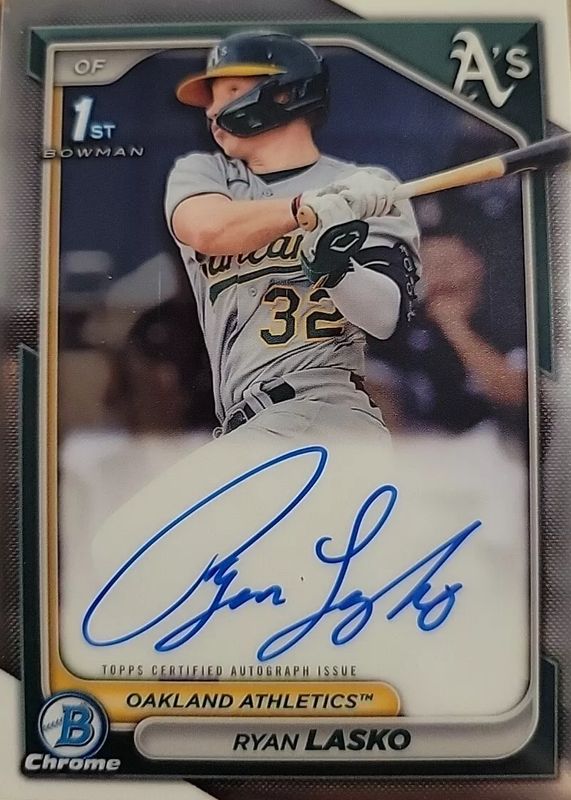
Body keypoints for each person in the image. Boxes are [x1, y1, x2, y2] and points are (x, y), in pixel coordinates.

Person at [164, 31, 421, 446]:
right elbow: (207, 229)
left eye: (230, 91)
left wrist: (337, 270)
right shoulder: (208, 174)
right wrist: (306, 208)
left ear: (284, 93)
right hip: (247, 423)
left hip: (326, 409)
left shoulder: (365, 187)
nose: (211, 111)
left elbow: (384, 317)